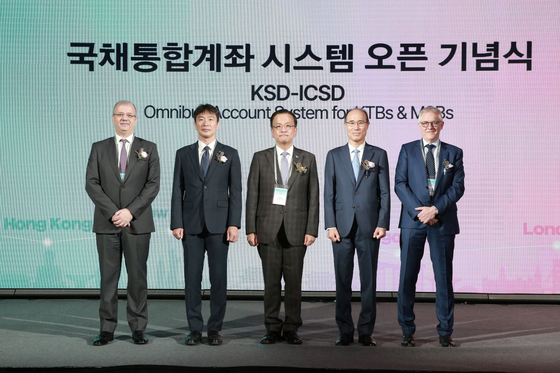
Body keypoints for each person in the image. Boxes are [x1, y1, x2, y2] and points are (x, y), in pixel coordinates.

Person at [86, 100, 160, 346]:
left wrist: (130, 211)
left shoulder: (148, 148)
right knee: (108, 278)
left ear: (136, 119)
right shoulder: (99, 148)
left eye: (130, 115)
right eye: (120, 114)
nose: (125, 118)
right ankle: (106, 329)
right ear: (113, 117)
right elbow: (92, 183)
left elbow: (152, 185)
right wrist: (114, 213)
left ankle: (138, 328)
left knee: (137, 278)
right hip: (107, 224)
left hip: (137, 224)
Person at [170, 104, 242, 346]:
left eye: (210, 119)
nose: (205, 123)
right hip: (190, 225)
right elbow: (176, 191)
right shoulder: (183, 153)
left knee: (218, 279)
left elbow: (237, 192)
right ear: (194, 124)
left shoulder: (229, 153)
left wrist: (234, 224)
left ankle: (214, 329)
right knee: (192, 279)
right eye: (201, 119)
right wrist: (176, 222)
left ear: (218, 123)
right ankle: (194, 329)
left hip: (220, 226)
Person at [246, 109, 319, 345]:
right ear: (272, 132)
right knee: (270, 283)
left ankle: (291, 329)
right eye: (278, 126)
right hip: (266, 228)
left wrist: (312, 229)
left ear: (295, 130)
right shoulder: (260, 157)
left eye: (288, 125)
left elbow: (313, 196)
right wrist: (250, 228)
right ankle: (271, 328)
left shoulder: (307, 158)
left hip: (297, 229)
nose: (283, 130)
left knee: (294, 282)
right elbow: (252, 195)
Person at [395, 106, 465, 347]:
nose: (430, 127)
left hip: (442, 221)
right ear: (419, 125)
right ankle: (406, 329)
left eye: (434, 122)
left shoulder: (454, 153)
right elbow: (400, 184)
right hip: (413, 222)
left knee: (443, 278)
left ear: (442, 125)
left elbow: (458, 188)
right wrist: (422, 213)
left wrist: (435, 210)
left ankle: (445, 332)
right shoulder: (407, 150)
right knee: (407, 277)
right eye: (425, 123)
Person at [324, 108, 390, 346]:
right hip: (340, 228)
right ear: (345, 126)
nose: (355, 127)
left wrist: (383, 223)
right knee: (342, 281)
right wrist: (329, 224)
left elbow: (384, 192)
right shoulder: (334, 155)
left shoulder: (379, 154)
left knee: (368, 281)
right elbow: (329, 193)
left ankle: (365, 331)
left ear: (367, 125)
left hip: (369, 227)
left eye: (360, 122)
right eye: (351, 122)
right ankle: (344, 330)